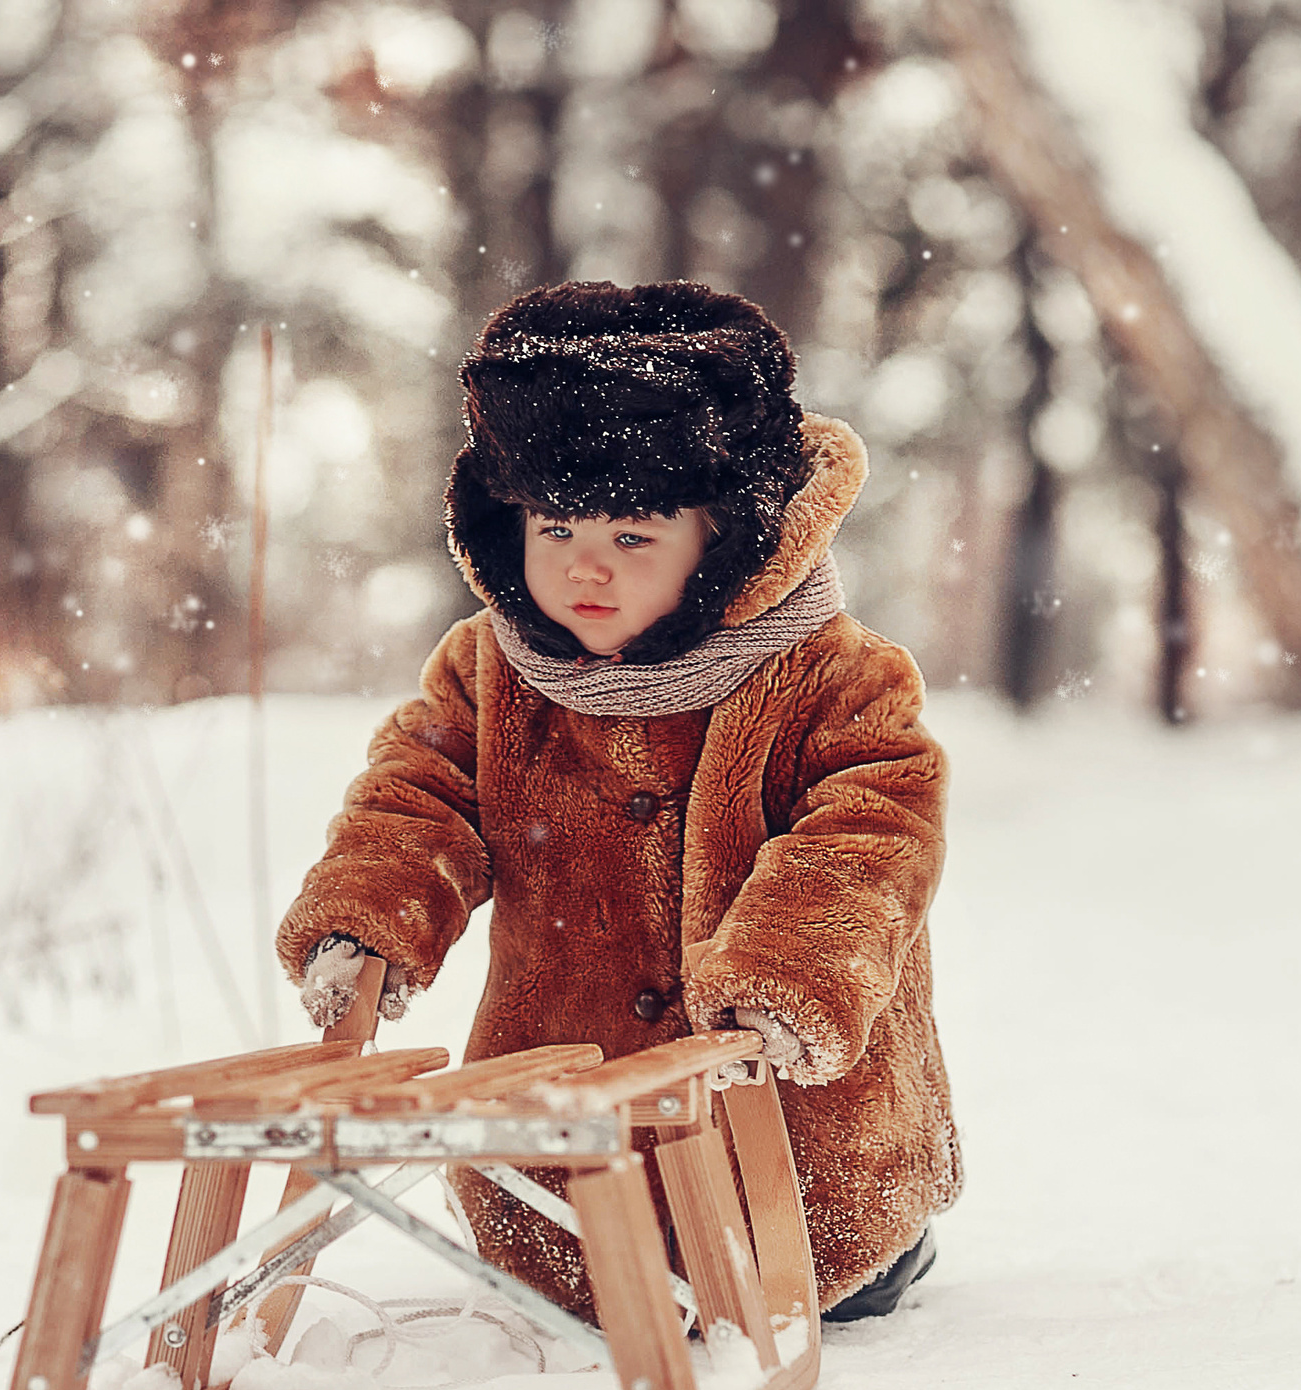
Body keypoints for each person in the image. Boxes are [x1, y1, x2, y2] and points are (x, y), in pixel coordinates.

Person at [275, 280, 958, 1325]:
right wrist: (369, 918)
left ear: (724, 537)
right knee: (575, 1267)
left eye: (633, 538)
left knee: (819, 1258)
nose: (584, 571)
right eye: (555, 529)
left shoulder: (832, 675)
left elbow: (871, 830)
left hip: (808, 1152)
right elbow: (418, 802)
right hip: (558, 1137)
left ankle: (869, 1267)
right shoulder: (487, 671)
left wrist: (790, 967)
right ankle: (595, 1266)